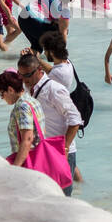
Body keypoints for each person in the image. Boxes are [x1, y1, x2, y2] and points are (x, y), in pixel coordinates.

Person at [18, 50, 82, 196]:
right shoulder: (30, 88)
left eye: (28, 75)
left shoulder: (54, 89)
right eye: (21, 75)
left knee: (62, 198)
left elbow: (75, 119)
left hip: (61, 152)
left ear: (39, 70)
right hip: (44, 150)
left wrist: (64, 149)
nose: (25, 79)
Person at [0, 71, 70, 189]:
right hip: (41, 158)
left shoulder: (22, 106)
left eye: (1, 94)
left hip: (30, 163)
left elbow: (27, 139)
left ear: (10, 90)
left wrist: (15, 169)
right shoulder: (32, 101)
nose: (2, 98)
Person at [18, 0, 87, 50]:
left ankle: (27, 55)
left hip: (23, 16)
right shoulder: (64, 10)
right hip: (35, 22)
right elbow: (63, 32)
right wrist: (63, 51)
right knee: (59, 35)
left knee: (37, 47)